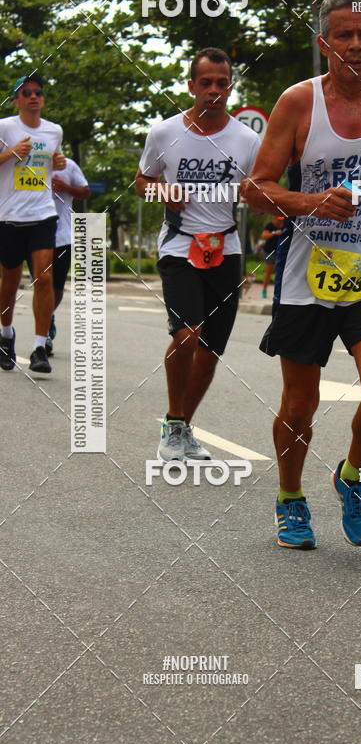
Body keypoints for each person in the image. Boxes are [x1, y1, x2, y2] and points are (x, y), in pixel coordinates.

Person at [241, 0, 361, 550]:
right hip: (306, 275)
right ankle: (290, 499)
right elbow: (255, 187)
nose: (355, 44)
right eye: (343, 35)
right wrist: (309, 202)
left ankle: (351, 475)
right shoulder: (299, 102)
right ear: (324, 42)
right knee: (301, 402)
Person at [135, 48, 260, 462]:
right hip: (179, 245)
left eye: (221, 83)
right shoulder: (164, 134)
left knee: (210, 349)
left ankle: (184, 428)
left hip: (226, 248)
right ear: (191, 86)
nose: (213, 90)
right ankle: (173, 423)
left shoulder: (246, 140)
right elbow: (142, 182)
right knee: (186, 334)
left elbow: (261, 189)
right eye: (205, 82)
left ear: (230, 87)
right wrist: (162, 191)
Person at [0, 73, 66, 374]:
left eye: (38, 92)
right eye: (26, 92)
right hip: (9, 216)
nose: (33, 96)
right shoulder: (5, 127)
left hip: (42, 214)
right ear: (16, 99)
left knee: (45, 277)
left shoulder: (54, 131)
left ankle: (40, 346)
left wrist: (59, 162)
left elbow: (51, 161)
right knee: (10, 282)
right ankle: (6, 335)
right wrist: (10, 153)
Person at [45, 157, 91, 353]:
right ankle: (44, 331)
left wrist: (66, 187)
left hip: (63, 235)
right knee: (41, 282)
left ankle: (48, 316)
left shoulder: (69, 165)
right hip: (35, 233)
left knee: (57, 286)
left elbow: (85, 192)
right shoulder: (30, 163)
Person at [260, 215, 285, 297]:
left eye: (281, 220)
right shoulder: (269, 225)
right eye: (278, 219)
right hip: (269, 251)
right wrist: (274, 233)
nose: (279, 222)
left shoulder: (285, 225)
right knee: (268, 272)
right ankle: (264, 290)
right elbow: (263, 236)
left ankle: (278, 292)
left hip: (280, 252)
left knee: (280, 272)